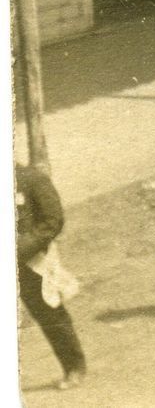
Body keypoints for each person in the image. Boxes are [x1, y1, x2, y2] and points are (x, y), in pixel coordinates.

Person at [15, 159, 86, 388]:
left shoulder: (31, 179)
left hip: (32, 261)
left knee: (49, 313)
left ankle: (73, 367)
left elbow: (53, 220)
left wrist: (22, 247)